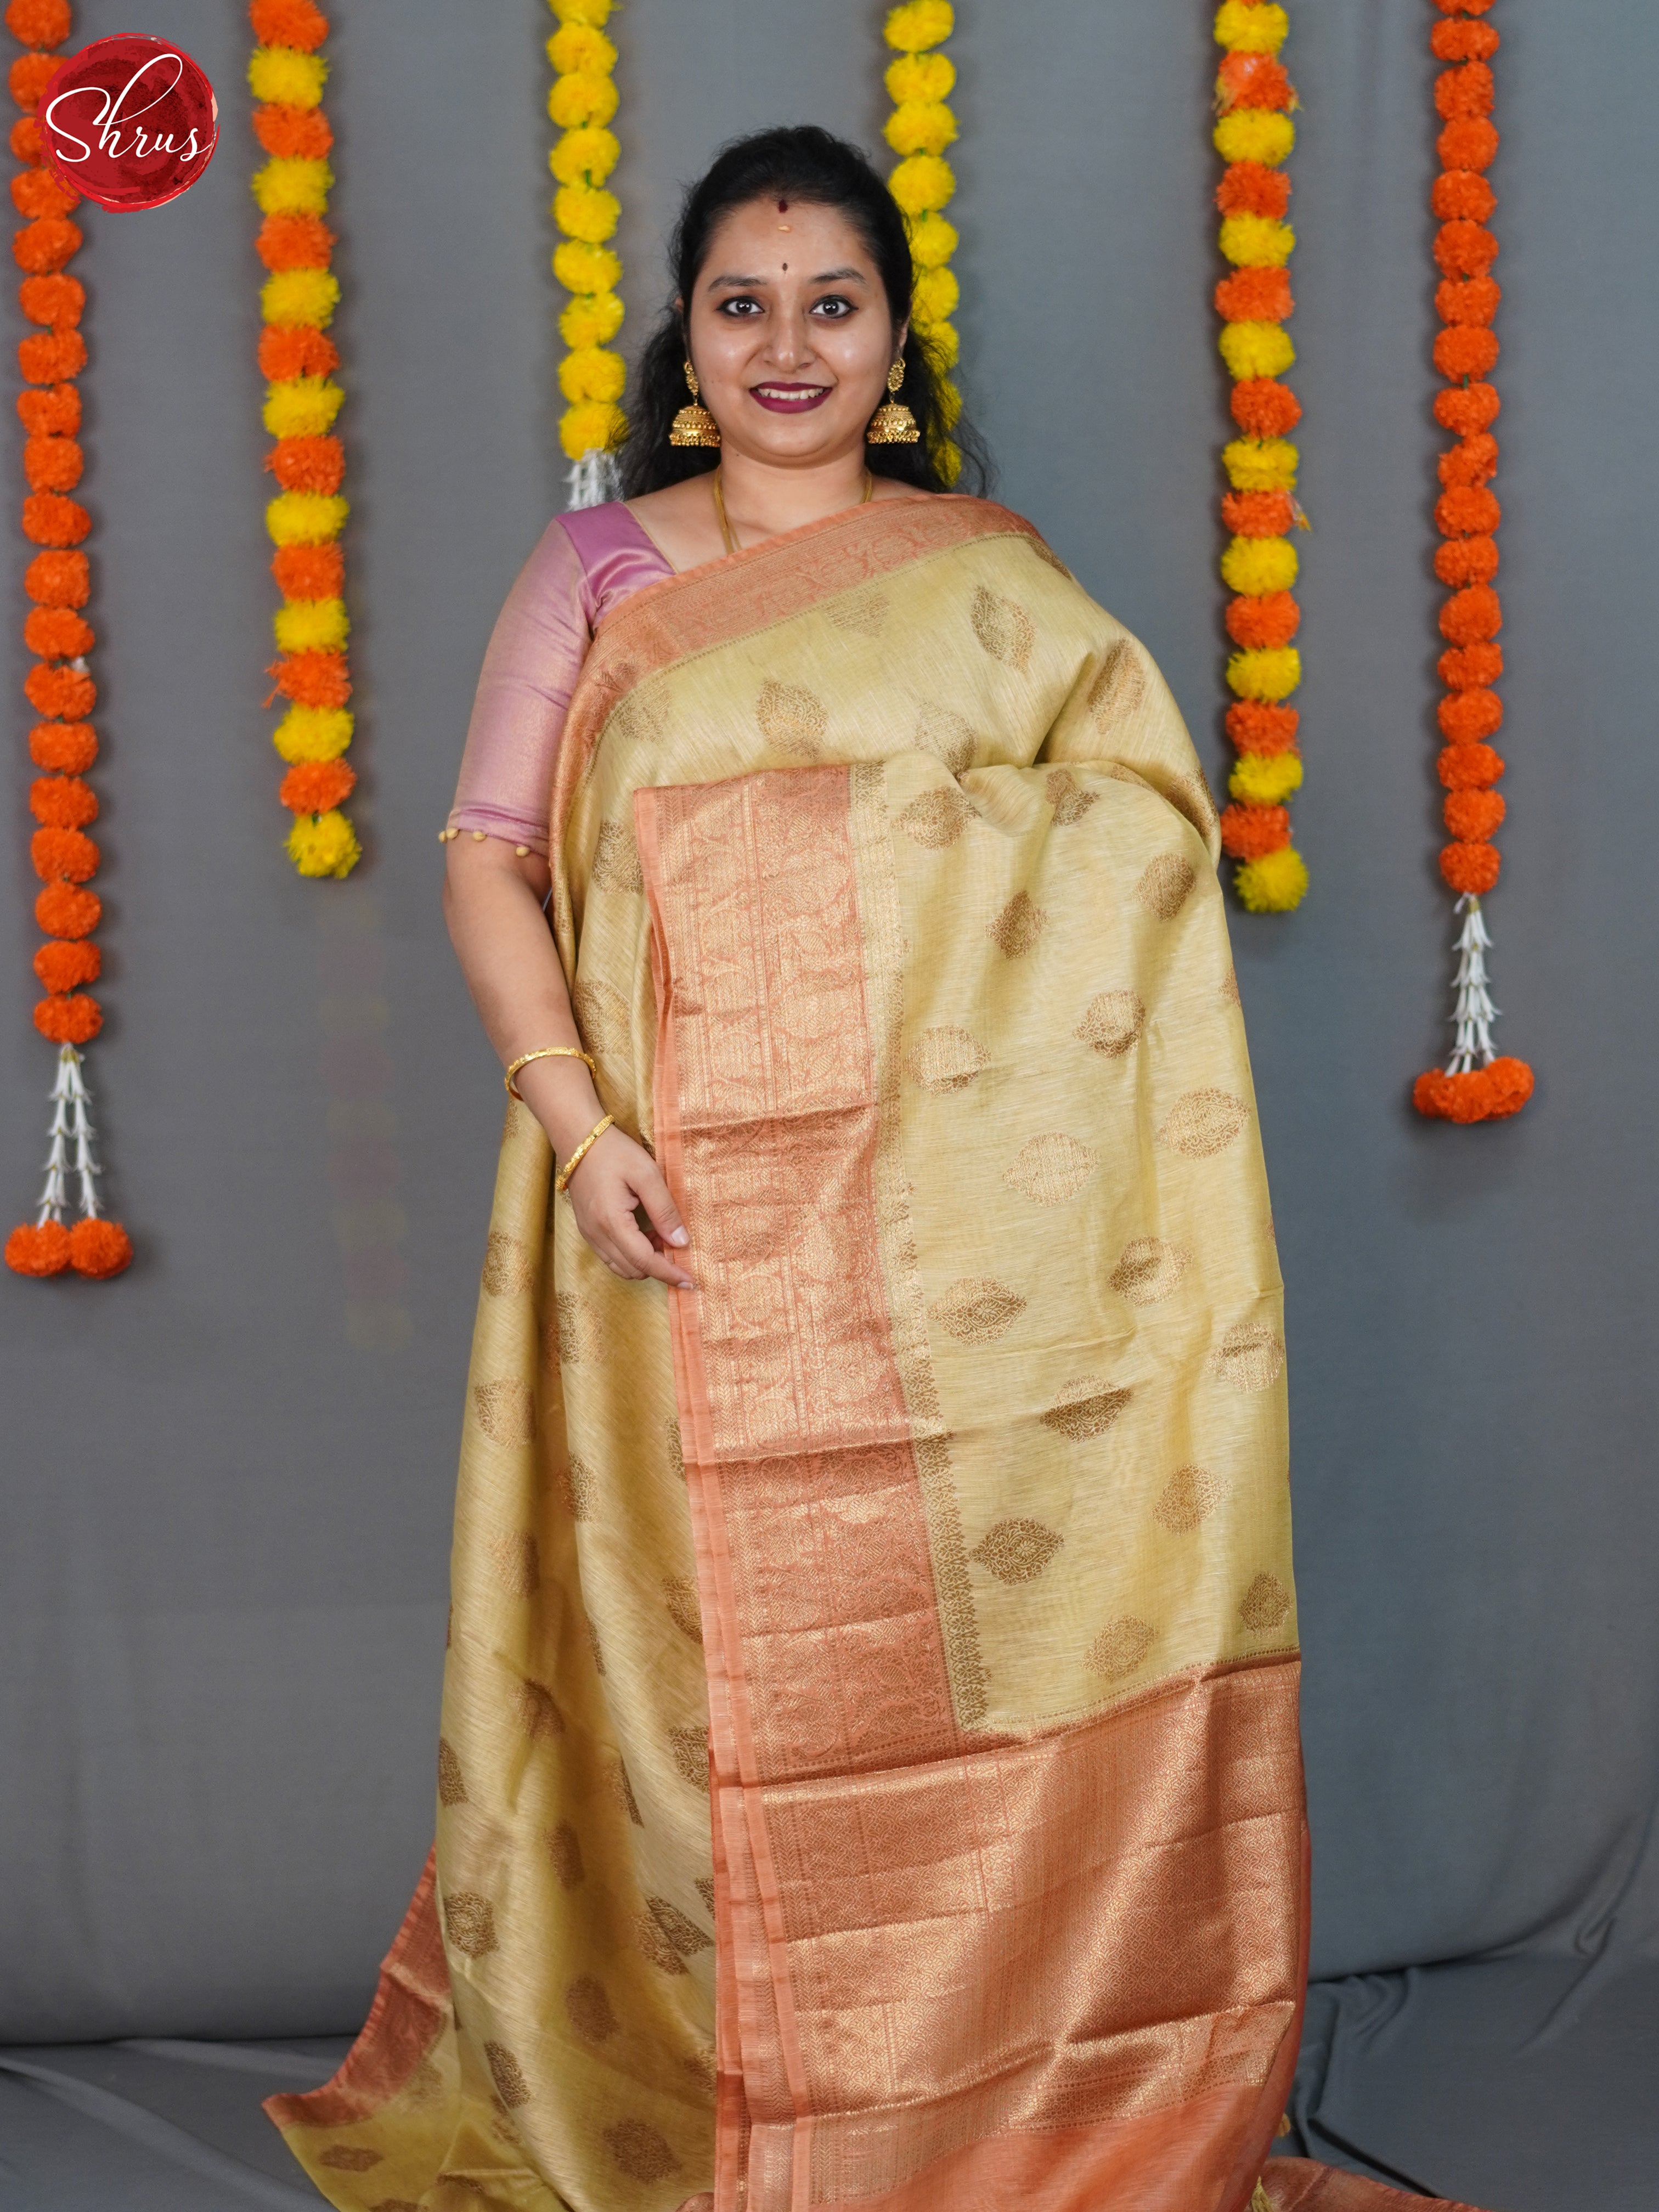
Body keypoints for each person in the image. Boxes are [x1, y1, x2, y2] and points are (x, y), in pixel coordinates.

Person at [269, 125, 1481, 2212]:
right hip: (677, 1229)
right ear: (686, 338)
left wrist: (893, 858)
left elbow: (1146, 837)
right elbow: (485, 858)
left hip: (968, 1280)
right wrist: (578, 1130)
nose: (788, 346)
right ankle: (721, 2107)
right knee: (698, 1697)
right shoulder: (605, 574)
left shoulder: (993, 588)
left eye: (832, 303)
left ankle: (976, 2114)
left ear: (897, 339)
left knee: (981, 1692)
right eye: (744, 305)